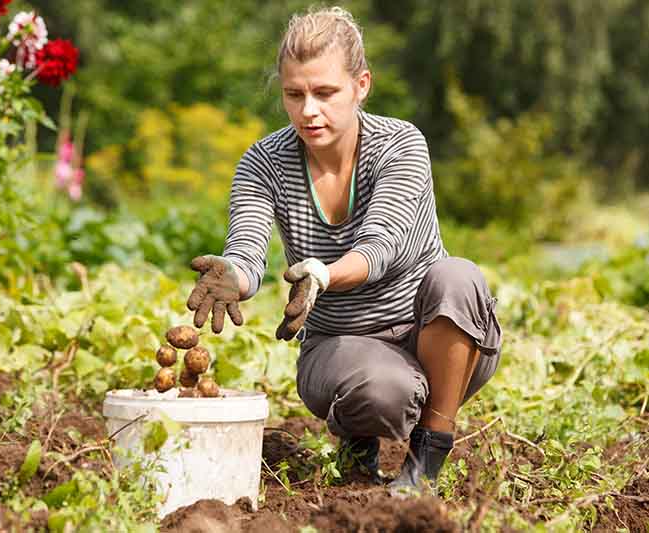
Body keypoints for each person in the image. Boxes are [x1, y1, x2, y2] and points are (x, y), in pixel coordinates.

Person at [185, 6, 502, 494]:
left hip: (436, 337)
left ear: (362, 85)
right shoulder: (263, 163)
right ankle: (359, 439)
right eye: (294, 95)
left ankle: (429, 452)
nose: (308, 110)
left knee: (458, 277)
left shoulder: (400, 145)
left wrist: (323, 275)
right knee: (382, 391)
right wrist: (235, 274)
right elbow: (246, 248)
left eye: (325, 93)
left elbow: (382, 246)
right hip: (342, 348)